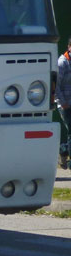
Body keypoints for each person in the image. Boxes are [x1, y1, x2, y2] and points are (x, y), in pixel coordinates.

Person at [56, 37, 71, 168]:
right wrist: (63, 102)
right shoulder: (62, 63)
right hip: (65, 105)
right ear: (69, 47)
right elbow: (56, 86)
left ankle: (63, 150)